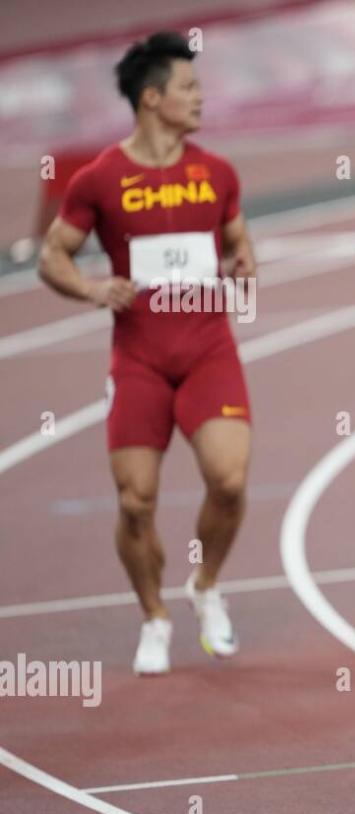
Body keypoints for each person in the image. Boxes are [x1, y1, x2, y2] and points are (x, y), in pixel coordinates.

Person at [37, 31, 257, 675]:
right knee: (135, 502)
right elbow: (54, 254)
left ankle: (205, 586)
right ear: (152, 97)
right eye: (188, 88)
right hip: (138, 358)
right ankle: (154, 616)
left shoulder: (216, 172)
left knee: (230, 479)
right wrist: (91, 286)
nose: (200, 98)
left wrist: (243, 264)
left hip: (208, 350)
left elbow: (240, 249)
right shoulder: (101, 177)